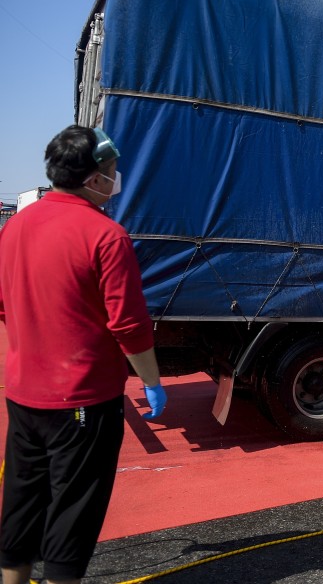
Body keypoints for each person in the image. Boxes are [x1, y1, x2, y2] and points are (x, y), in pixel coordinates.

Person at [0, 125, 166, 584]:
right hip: (82, 403)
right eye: (111, 171)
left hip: (23, 397)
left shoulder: (15, 226)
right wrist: (152, 381)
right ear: (94, 179)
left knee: (22, 507)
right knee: (72, 518)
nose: (116, 179)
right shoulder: (106, 236)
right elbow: (129, 326)